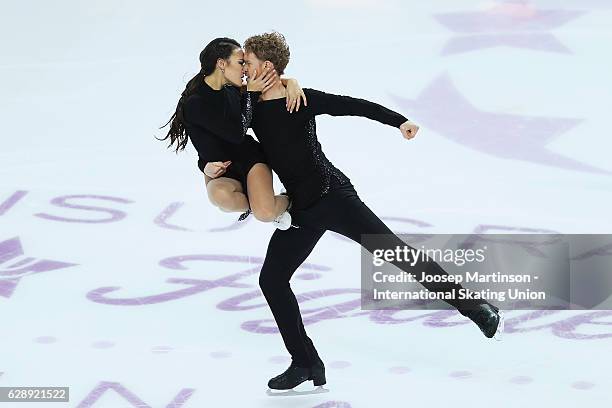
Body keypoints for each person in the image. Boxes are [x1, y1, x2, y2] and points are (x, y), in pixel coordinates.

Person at [208, 31, 505, 390]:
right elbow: (220, 112)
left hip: (334, 196)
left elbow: (353, 105)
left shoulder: (299, 100)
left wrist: (399, 121)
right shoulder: (249, 105)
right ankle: (306, 362)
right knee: (271, 279)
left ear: (266, 67)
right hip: (301, 209)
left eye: (250, 64)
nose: (244, 71)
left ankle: (475, 308)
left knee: (399, 254)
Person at [158, 37, 307, 229]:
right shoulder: (196, 102)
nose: (245, 69)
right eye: (240, 63)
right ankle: (263, 202)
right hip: (223, 171)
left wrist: (292, 82)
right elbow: (207, 139)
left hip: (249, 159)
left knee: (266, 213)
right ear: (221, 63)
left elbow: (238, 134)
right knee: (220, 196)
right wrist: (203, 165)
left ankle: (289, 201)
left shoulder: (233, 90)